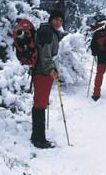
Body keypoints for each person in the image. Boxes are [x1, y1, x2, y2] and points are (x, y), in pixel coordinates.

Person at [31, 10, 65, 149]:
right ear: (51, 19)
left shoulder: (50, 32)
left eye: (61, 20)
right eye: (56, 19)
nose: (58, 22)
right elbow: (45, 55)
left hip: (43, 73)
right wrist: (52, 70)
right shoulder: (48, 34)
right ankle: (39, 140)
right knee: (40, 105)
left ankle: (37, 136)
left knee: (40, 104)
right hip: (43, 73)